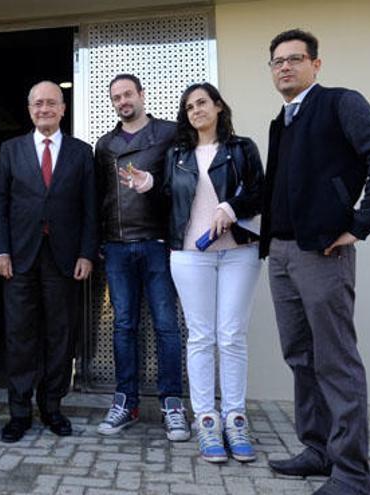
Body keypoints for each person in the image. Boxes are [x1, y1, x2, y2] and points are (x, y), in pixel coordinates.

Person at [262, 29, 370, 494]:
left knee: (335, 361)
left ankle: (350, 474)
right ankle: (318, 449)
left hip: (323, 253)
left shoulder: (341, 102)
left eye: (295, 59)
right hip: (283, 253)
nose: (285, 66)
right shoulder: (279, 121)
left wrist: (360, 223)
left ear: (316, 65)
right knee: (300, 358)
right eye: (278, 61)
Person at [124, 82, 264, 463]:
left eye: (202, 103)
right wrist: (147, 183)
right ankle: (206, 419)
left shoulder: (242, 148)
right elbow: (168, 193)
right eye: (189, 107)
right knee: (201, 337)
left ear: (219, 106)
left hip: (239, 251)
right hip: (190, 254)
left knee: (232, 335)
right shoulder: (178, 154)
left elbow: (259, 192)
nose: (196, 110)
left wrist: (231, 208)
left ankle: (235, 418)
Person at [0, 81, 98, 443]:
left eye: (51, 103)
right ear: (29, 108)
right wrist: (0, 250)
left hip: (64, 259)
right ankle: (19, 412)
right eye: (38, 103)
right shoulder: (10, 150)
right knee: (20, 336)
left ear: (63, 108)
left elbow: (90, 209)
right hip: (19, 258)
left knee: (60, 335)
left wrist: (85, 252)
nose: (44, 109)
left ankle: (52, 407)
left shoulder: (83, 153)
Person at [93, 74, 188, 441]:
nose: (122, 101)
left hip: (158, 242)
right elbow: (99, 197)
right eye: (116, 97)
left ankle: (172, 404)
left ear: (142, 95)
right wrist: (98, 240)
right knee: (124, 325)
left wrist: (154, 186)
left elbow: (185, 182)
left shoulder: (169, 133)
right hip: (117, 246)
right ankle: (125, 402)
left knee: (166, 324)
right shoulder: (105, 144)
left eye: (128, 94)